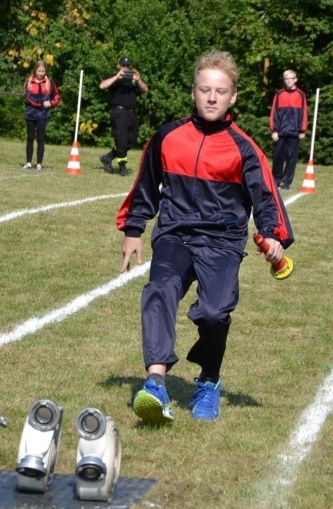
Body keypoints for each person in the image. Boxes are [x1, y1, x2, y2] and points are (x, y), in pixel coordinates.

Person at [117, 50, 294, 425]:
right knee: (159, 289)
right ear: (194, 92)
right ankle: (155, 384)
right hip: (175, 235)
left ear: (233, 96)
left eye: (220, 90)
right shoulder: (168, 136)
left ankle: (209, 381)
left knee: (213, 314)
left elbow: (266, 198)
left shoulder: (244, 148)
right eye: (204, 89)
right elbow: (145, 186)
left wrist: (272, 234)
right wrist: (134, 229)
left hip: (222, 242)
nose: (211, 97)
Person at [99, 56, 148, 176]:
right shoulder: (115, 77)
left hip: (131, 113)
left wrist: (138, 80)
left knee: (132, 139)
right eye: (123, 65)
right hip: (119, 112)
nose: (125, 68)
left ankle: (108, 157)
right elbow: (102, 86)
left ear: (130, 66)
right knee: (121, 139)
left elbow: (145, 89)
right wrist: (117, 77)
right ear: (119, 66)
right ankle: (122, 168)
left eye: (127, 66)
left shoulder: (133, 79)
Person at [269, 69, 308, 190]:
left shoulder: (301, 95)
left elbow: (304, 113)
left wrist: (302, 130)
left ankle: (286, 183)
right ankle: (275, 181)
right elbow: (274, 113)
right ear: (284, 80)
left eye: (291, 78)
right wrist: (274, 130)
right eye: (286, 78)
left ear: (295, 79)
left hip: (295, 132)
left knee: (292, 159)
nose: (289, 80)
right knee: (278, 157)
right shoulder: (279, 94)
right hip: (281, 132)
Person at [23, 60, 60, 170]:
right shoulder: (28, 82)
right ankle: (29, 162)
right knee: (30, 138)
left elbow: (56, 96)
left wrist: (51, 103)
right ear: (35, 70)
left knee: (41, 138)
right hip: (30, 114)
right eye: (39, 71)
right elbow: (28, 98)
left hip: (43, 114)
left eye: (43, 71)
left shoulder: (50, 83)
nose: (41, 73)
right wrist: (41, 104)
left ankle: (39, 163)